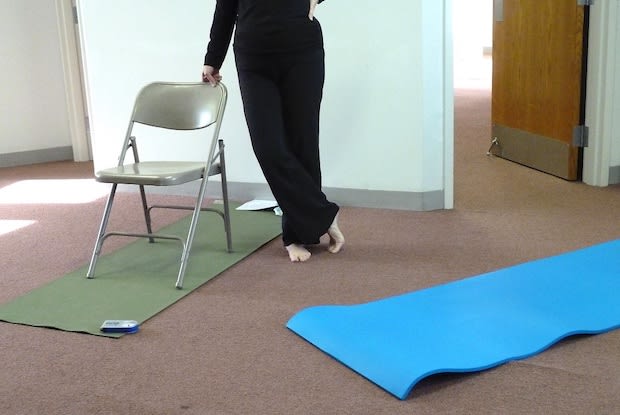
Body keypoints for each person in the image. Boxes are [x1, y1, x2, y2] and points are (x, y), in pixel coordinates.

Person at [202, 0, 344, 262]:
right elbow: (225, 8)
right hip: (253, 59)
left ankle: (297, 235)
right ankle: (322, 213)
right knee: (268, 146)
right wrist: (213, 58)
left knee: (303, 143)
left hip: (303, 53)